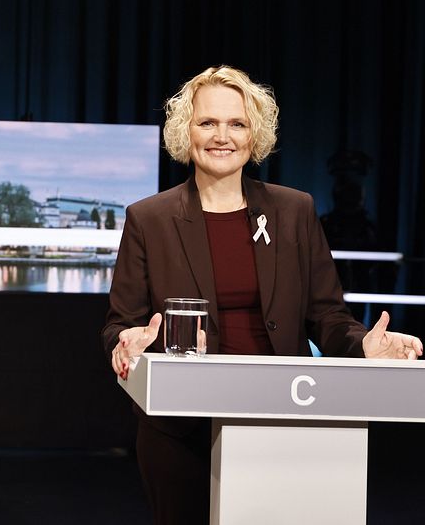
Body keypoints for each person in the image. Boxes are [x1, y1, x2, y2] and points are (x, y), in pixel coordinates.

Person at [100, 66, 422, 524]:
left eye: (237, 123)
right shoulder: (148, 218)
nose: (221, 136)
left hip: (281, 416)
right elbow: (119, 324)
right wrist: (129, 342)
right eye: (207, 122)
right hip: (180, 426)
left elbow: (326, 315)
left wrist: (363, 344)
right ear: (184, 131)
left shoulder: (294, 211)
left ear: (256, 134)